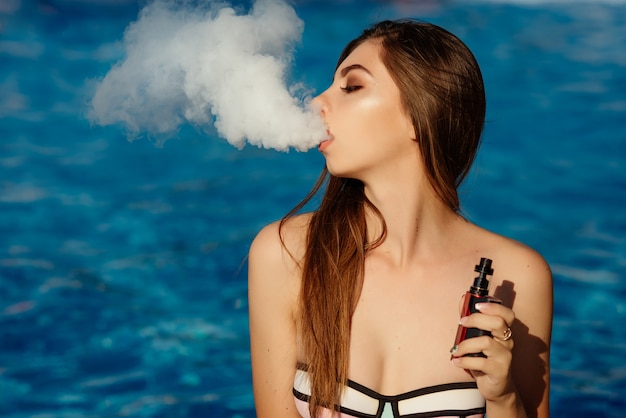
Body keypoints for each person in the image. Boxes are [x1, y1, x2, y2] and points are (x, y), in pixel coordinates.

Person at [248, 19, 552, 418]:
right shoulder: (286, 254)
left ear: (418, 114)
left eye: (352, 87)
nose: (314, 103)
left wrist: (503, 399)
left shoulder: (518, 275)